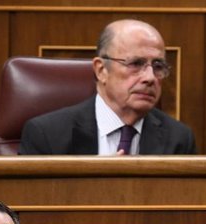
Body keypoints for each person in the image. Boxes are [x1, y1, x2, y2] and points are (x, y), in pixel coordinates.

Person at [19, 19, 196, 155]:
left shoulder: (179, 139)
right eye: (136, 63)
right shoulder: (47, 134)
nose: (150, 77)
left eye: (158, 66)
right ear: (101, 70)